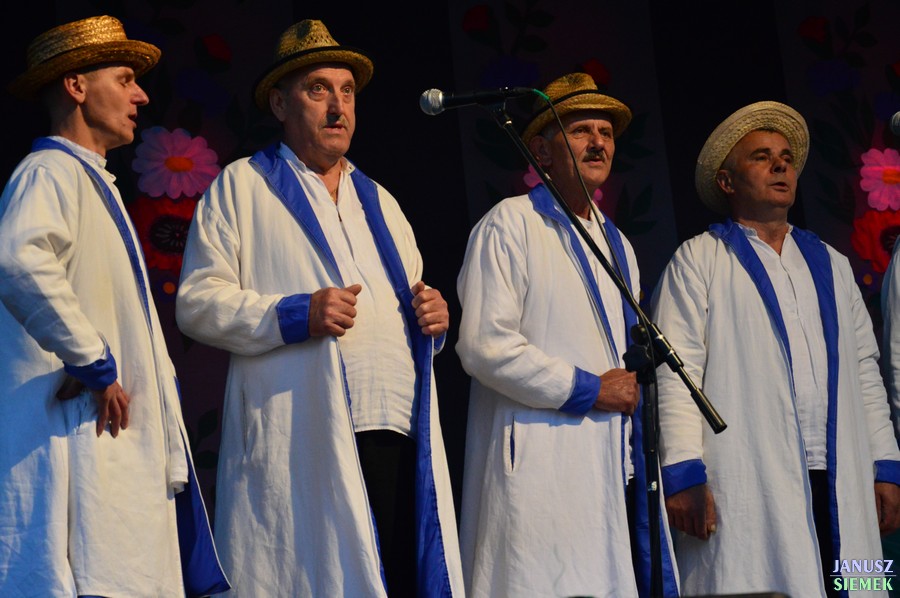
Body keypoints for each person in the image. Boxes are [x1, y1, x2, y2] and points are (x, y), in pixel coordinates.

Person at [175, 18, 464, 597]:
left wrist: (434, 320)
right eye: (318, 90)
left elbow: (413, 300)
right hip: (307, 432)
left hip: (396, 425)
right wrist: (294, 315)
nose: (338, 107)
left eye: (347, 92)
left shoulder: (381, 200)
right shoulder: (242, 186)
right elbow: (197, 303)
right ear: (280, 103)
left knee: (398, 577)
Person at [0, 14, 228, 598]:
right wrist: (92, 360)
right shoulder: (49, 172)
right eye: (125, 79)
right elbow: (19, 260)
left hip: (112, 449)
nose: (141, 95)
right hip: (78, 441)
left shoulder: (90, 180)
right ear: (76, 86)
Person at [652, 100, 900, 597]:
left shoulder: (831, 262)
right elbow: (675, 374)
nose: (781, 166)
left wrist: (886, 465)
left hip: (844, 475)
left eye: (786, 157)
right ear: (727, 182)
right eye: (761, 157)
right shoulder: (699, 260)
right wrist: (682, 472)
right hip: (748, 477)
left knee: (860, 584)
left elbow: (865, 371)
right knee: (769, 583)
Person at [455, 72, 679, 598]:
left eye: (606, 132)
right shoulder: (509, 224)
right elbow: (484, 346)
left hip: (605, 465)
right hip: (538, 461)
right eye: (580, 130)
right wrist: (590, 388)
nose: (598, 142)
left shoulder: (618, 244)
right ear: (541, 150)